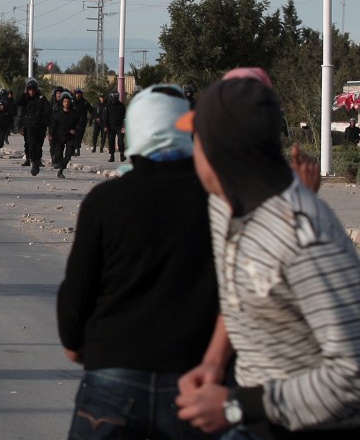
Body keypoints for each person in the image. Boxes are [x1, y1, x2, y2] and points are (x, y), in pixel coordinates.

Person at [174, 76, 360, 439]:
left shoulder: (302, 236)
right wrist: (213, 364)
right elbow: (241, 292)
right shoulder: (224, 205)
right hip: (254, 418)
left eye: (197, 140)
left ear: (218, 151)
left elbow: (353, 377)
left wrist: (234, 405)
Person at [57, 84, 219, 439]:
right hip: (193, 380)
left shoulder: (104, 200)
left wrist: (74, 341)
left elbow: (77, 290)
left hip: (114, 371)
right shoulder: (217, 201)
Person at [16, 79, 50, 176]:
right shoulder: (26, 98)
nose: (31, 92)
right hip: (29, 126)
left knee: (38, 146)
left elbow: (48, 111)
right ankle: (34, 163)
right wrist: (24, 93)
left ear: (36, 90)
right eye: (29, 90)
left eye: (32, 90)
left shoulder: (41, 98)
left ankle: (37, 161)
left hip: (40, 127)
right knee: (31, 145)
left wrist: (46, 122)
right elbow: (17, 102)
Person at [48, 92, 77, 178]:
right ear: (62, 102)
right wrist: (51, 135)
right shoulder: (58, 114)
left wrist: (75, 130)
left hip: (70, 137)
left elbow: (79, 124)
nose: (66, 103)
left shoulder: (74, 113)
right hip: (59, 137)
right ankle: (56, 160)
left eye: (68, 101)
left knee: (68, 155)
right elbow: (53, 125)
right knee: (58, 155)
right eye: (65, 101)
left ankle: (61, 170)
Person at [103, 91, 126, 162]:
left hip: (119, 126)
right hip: (110, 126)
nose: (115, 98)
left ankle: (122, 154)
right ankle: (112, 156)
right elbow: (105, 117)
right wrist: (105, 126)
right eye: (114, 96)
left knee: (120, 140)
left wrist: (124, 126)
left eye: (116, 96)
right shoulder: (108, 106)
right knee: (111, 141)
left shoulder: (121, 106)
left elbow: (125, 116)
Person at [71, 88, 94, 156]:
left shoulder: (85, 102)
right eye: (77, 93)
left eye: (79, 94)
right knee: (73, 136)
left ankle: (78, 149)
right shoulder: (72, 101)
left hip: (82, 122)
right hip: (73, 122)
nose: (78, 95)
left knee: (79, 136)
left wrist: (96, 116)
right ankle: (73, 150)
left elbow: (91, 110)